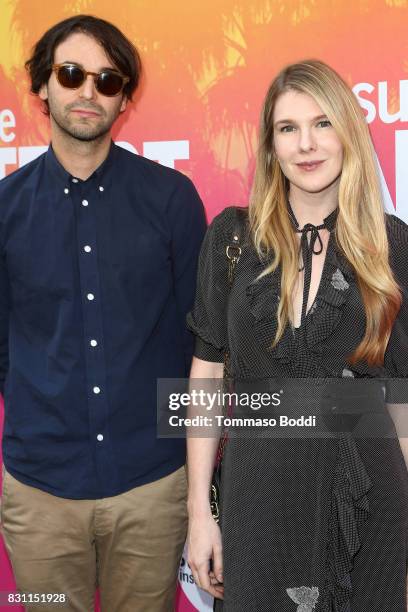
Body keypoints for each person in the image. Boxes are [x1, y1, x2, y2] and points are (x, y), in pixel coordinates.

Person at [0, 14, 206, 612]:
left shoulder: (172, 200)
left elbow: (205, 345)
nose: (89, 91)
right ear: (42, 87)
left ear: (124, 100)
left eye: (108, 80)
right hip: (39, 498)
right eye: (71, 74)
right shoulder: (6, 211)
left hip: (153, 489)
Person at [186, 59, 408, 611]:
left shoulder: (393, 245)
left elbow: (402, 397)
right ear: (271, 144)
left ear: (348, 132)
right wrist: (198, 513)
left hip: (368, 493)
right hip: (257, 494)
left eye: (322, 123)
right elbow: (207, 376)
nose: (307, 144)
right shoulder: (232, 238)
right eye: (288, 128)